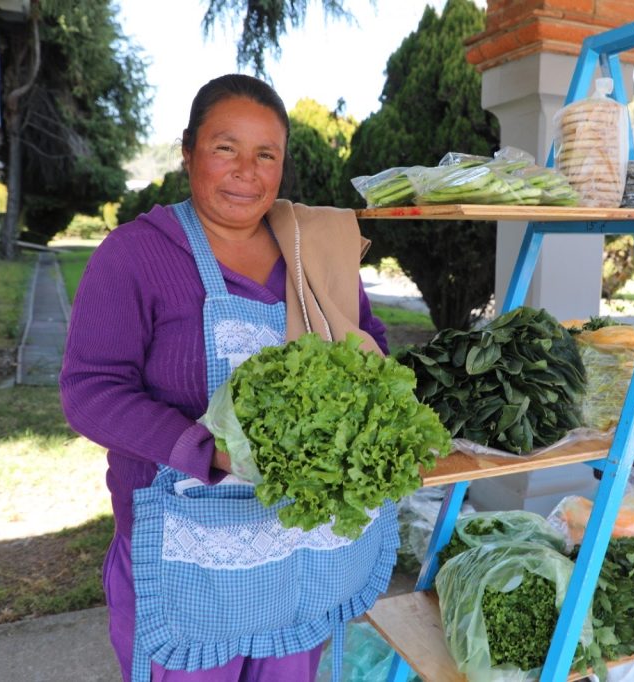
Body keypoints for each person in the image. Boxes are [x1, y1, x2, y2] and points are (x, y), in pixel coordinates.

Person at [60, 74, 390, 681]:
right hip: (189, 550)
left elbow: (368, 346)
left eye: (267, 154)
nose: (247, 170)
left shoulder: (310, 247)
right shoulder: (136, 255)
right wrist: (205, 449)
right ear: (188, 152)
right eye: (225, 147)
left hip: (298, 544)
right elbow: (90, 391)